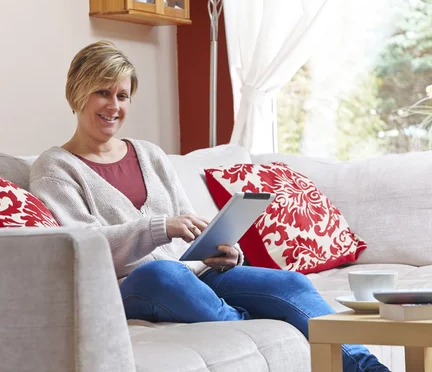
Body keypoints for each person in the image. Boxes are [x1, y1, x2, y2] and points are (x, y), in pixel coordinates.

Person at [29, 40, 390, 372]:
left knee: (292, 284)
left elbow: (188, 227)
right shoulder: (55, 167)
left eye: (123, 96)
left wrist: (222, 250)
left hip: (195, 274)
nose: (114, 106)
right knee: (163, 274)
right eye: (102, 93)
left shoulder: (150, 154)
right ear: (77, 94)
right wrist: (160, 227)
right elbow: (82, 248)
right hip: (131, 285)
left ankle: (368, 367)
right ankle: (243, 321)